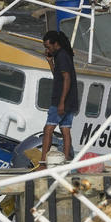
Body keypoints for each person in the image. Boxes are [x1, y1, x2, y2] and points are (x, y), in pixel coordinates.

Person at [38, 30, 78, 168]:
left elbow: (66, 79)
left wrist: (61, 103)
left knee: (48, 129)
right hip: (71, 100)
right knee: (65, 130)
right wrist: (50, 62)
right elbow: (59, 76)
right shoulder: (63, 56)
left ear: (56, 44)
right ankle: (65, 160)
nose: (47, 49)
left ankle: (43, 161)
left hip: (62, 100)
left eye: (48, 47)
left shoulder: (61, 56)